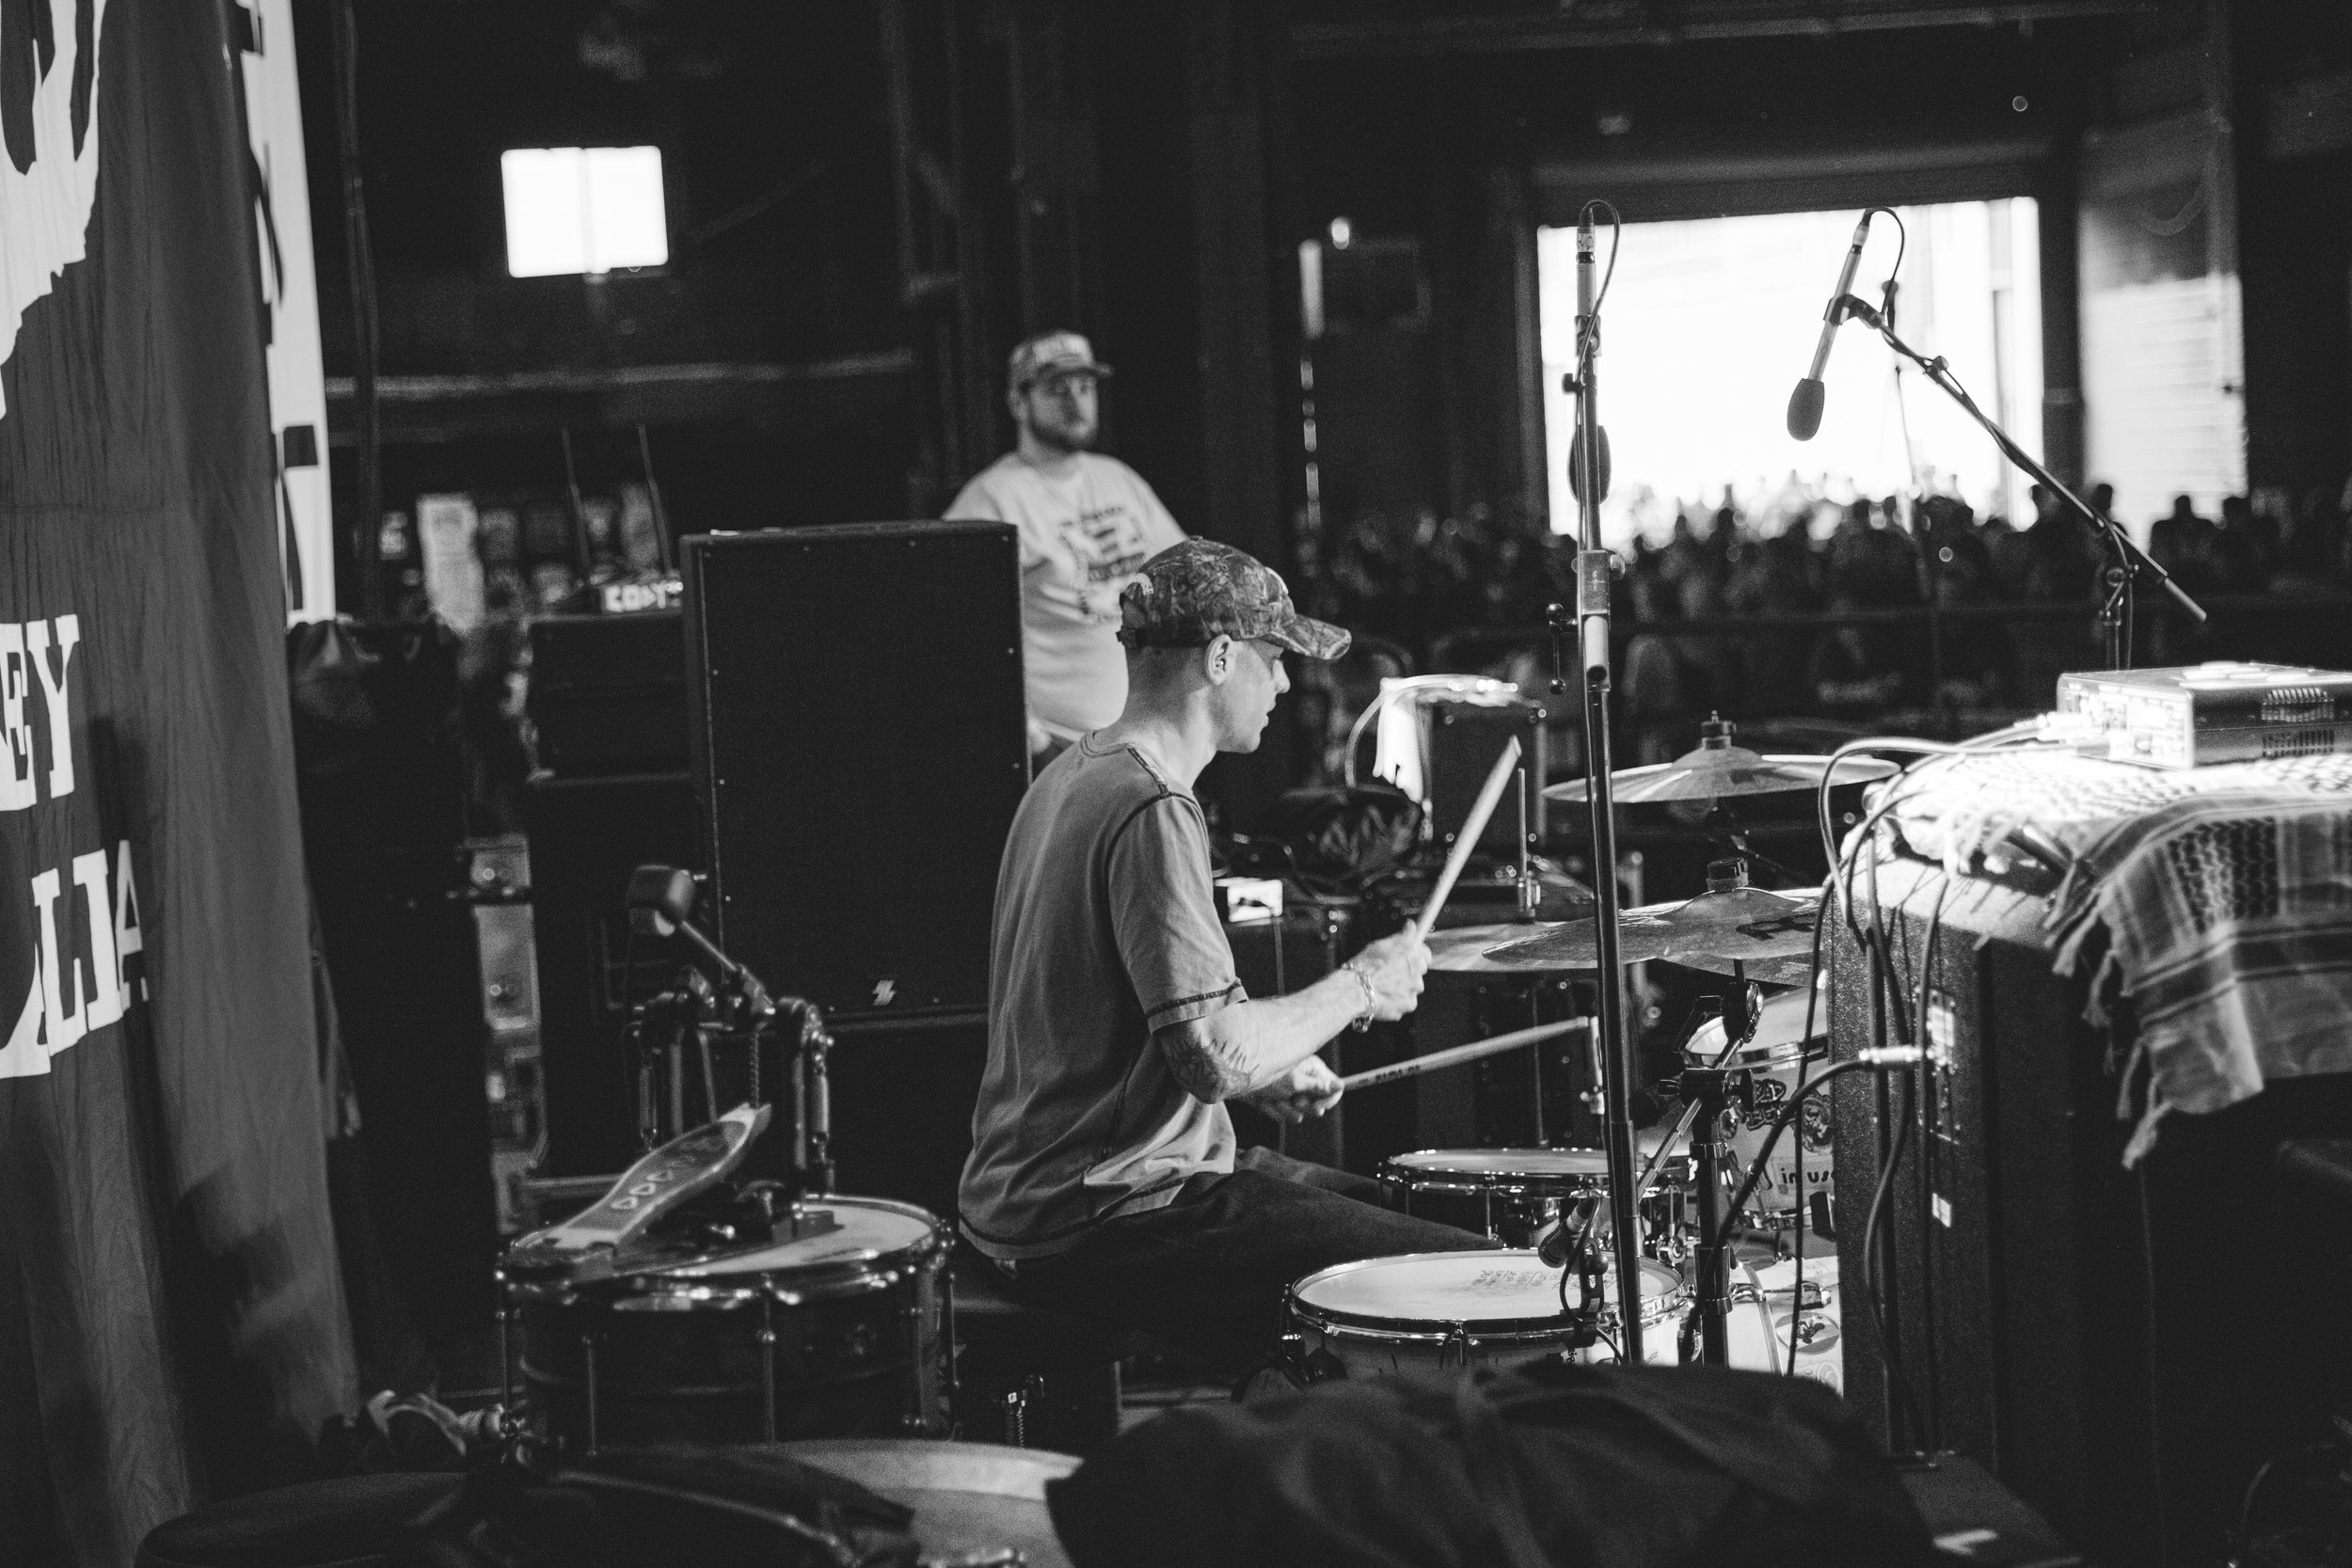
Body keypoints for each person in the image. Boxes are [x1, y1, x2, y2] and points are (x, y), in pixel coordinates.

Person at [957, 538, 1489, 1365]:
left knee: (1409, 1218)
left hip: (1030, 1197)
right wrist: (1363, 982)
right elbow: (1212, 1056)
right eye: (1273, 659)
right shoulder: (1151, 804)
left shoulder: (1068, 777)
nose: (1284, 684)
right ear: (1219, 658)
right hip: (1108, 1217)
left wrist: (1270, 1071)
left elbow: (1116, 1024)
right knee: (1468, 1280)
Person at [946, 330, 1186, 768]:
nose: (1077, 402)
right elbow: (958, 634)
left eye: (1085, 387)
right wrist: (1032, 740)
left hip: (1148, 744)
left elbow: (1188, 575)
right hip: (1063, 753)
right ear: (1018, 403)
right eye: (1058, 390)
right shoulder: (992, 499)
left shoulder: (1116, 478)